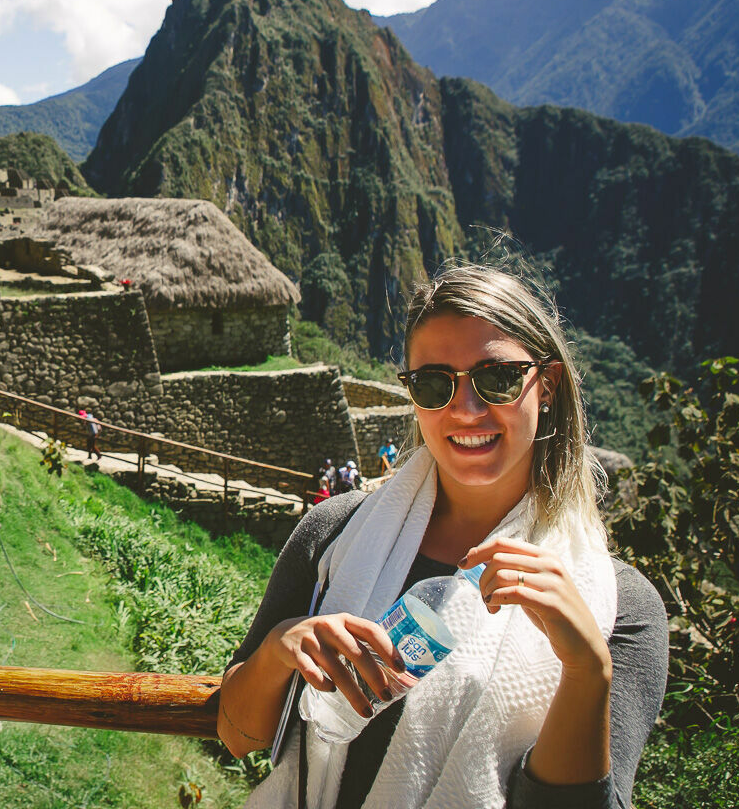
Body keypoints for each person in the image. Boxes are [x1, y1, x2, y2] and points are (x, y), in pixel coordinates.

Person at [217, 264, 667, 808]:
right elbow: (237, 736)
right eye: (434, 384)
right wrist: (278, 650)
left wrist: (587, 670)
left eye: (496, 378)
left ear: (545, 385)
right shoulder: (335, 536)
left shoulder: (616, 606)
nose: (466, 409)